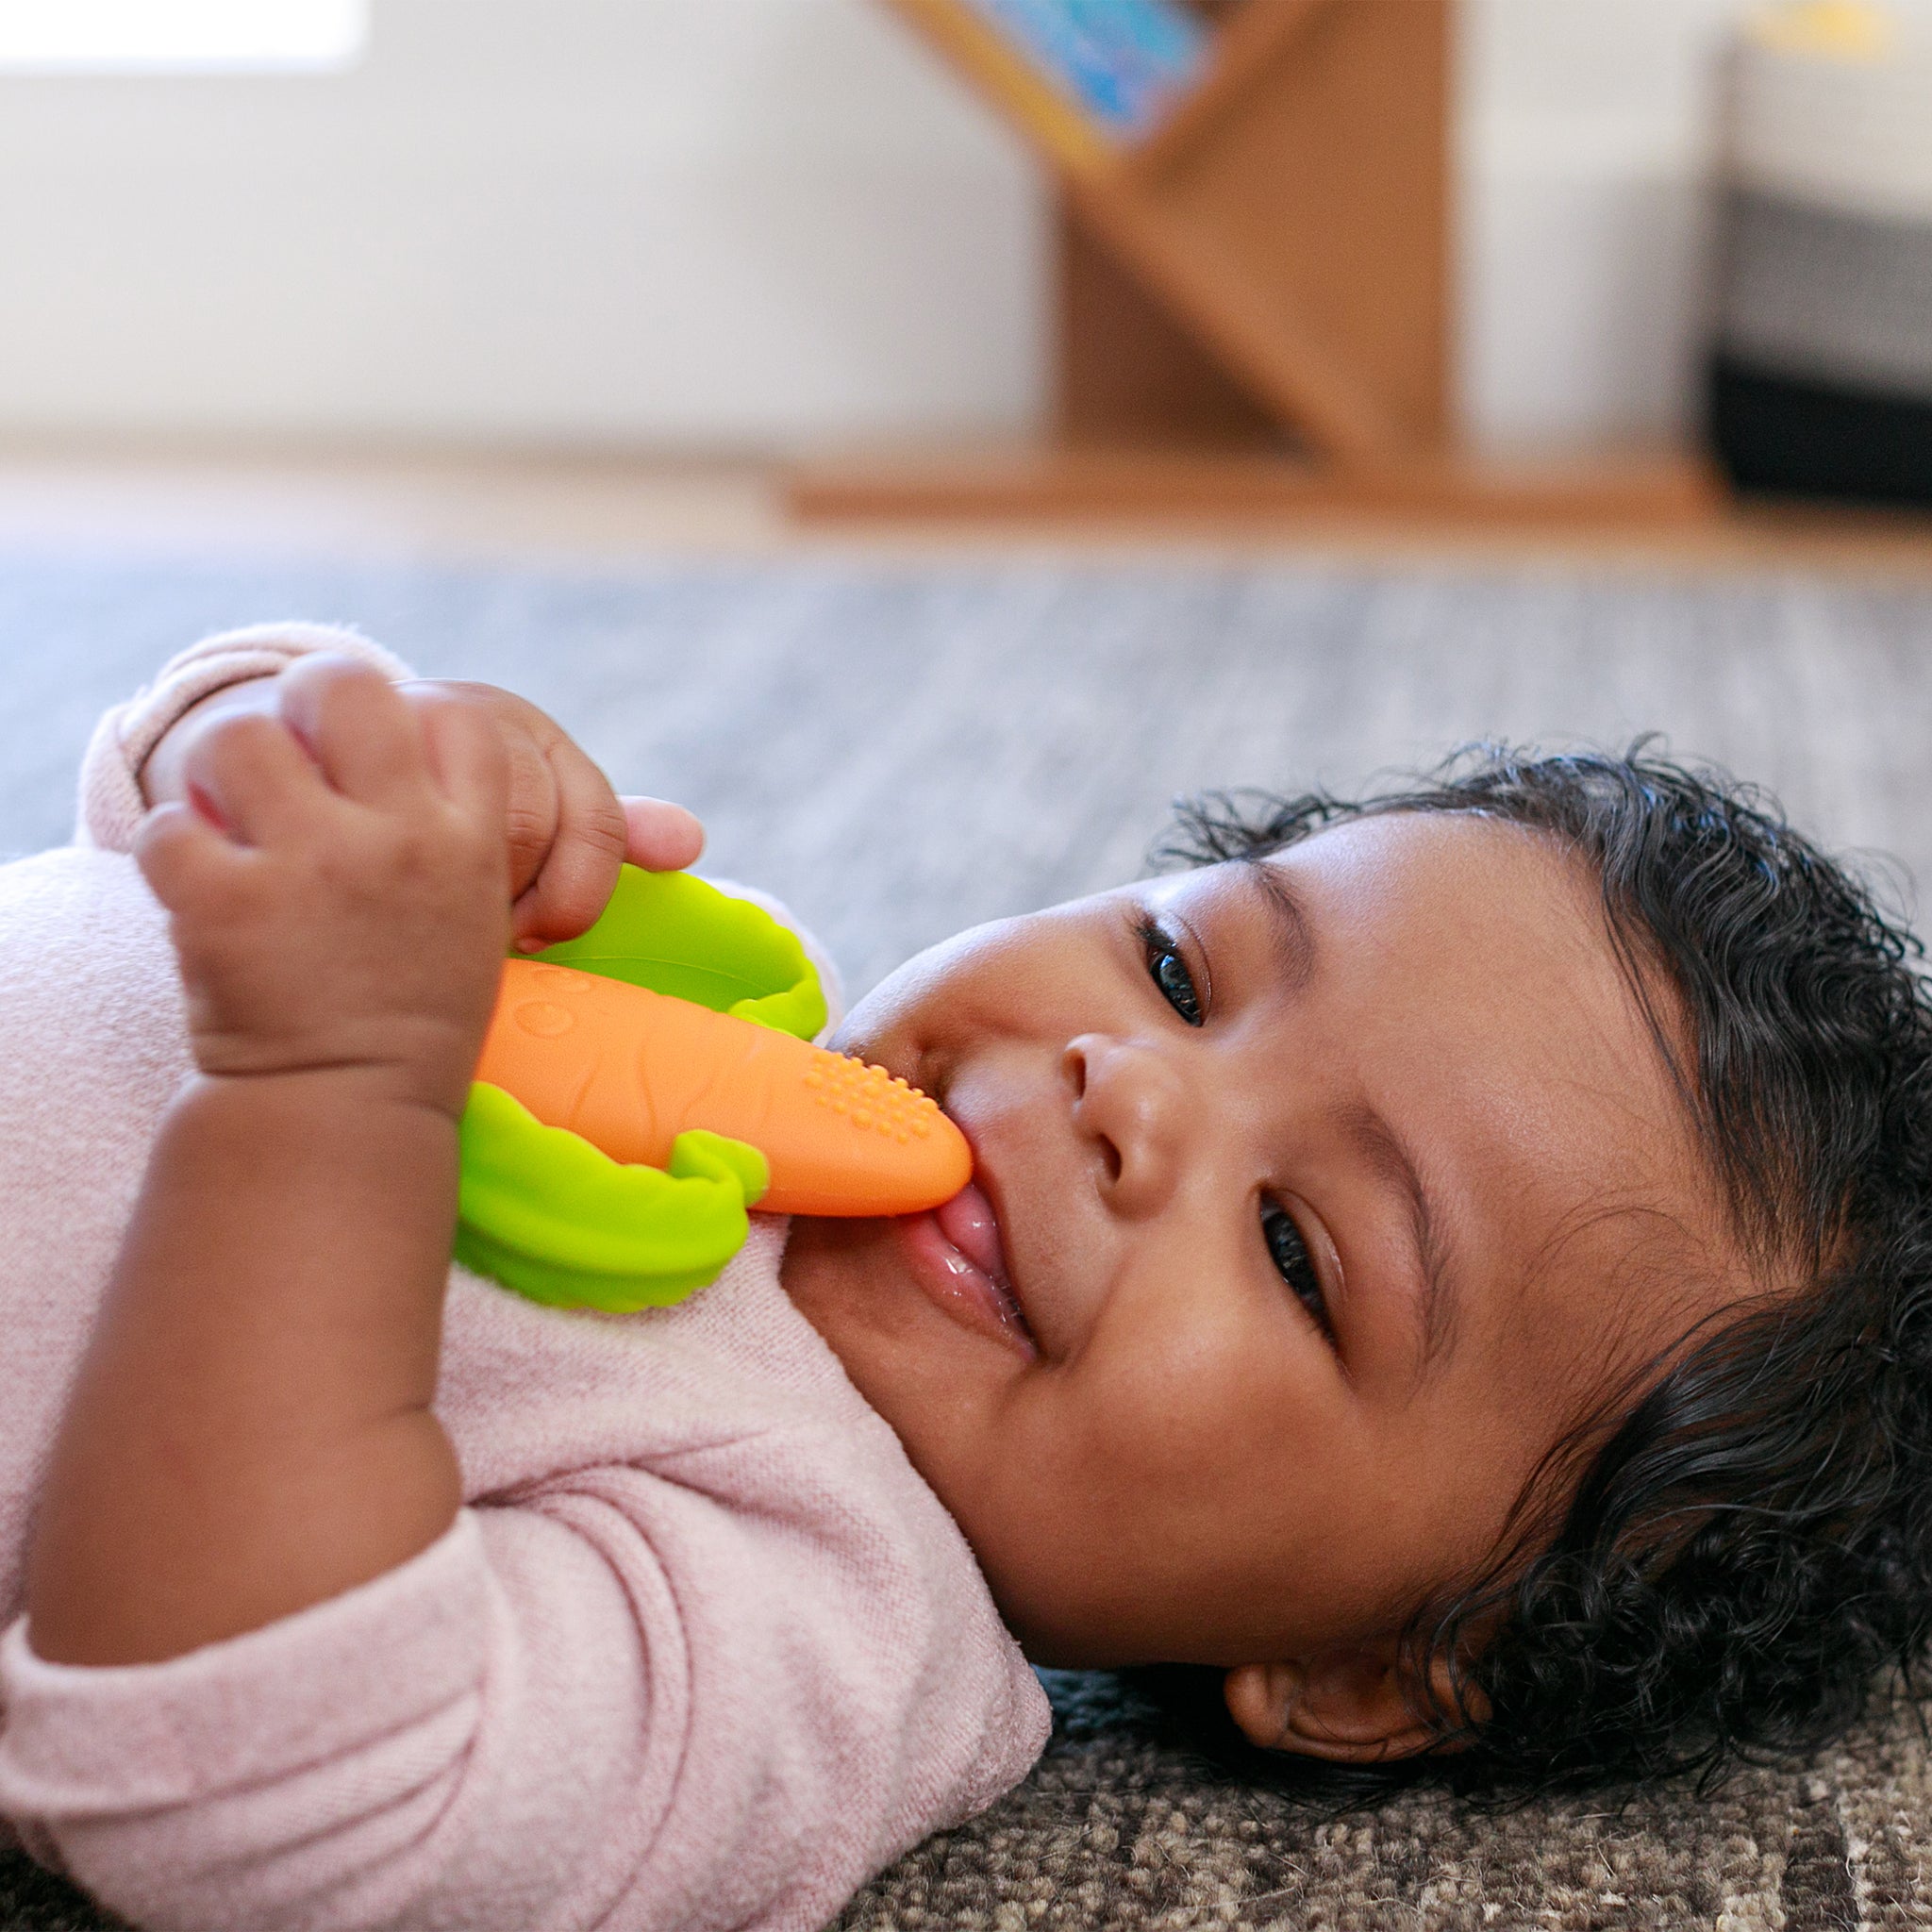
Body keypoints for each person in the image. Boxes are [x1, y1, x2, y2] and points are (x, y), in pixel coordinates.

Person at [0, 625, 1926, 1932]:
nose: (1128, 1093)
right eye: (1182, 968)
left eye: (1290, 1246)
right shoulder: (688, 989)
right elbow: (144, 819)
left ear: (1367, 1674)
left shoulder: (831, 1616)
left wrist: (329, 1099)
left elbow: (255, 1779)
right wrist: (345, 751)